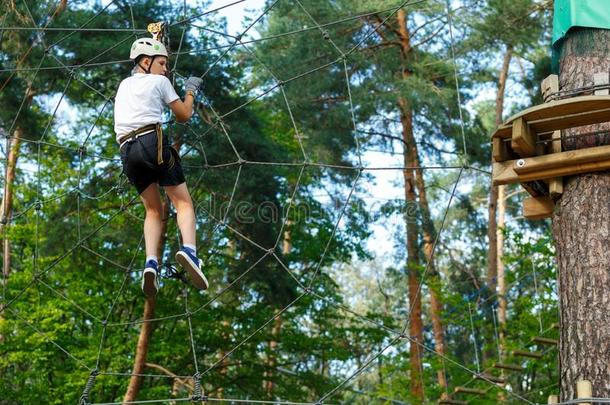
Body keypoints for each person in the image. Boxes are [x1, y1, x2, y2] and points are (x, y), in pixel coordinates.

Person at [114, 37, 208, 297]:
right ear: (146, 62)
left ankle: (150, 264)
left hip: (126, 152)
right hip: (150, 142)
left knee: (153, 210)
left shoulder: (124, 85)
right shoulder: (160, 81)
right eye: (163, 63)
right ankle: (190, 251)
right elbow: (184, 115)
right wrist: (190, 91)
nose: (166, 69)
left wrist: (157, 40)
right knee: (184, 203)